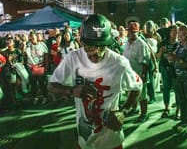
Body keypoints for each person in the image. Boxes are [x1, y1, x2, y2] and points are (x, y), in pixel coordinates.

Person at [48, 14, 142, 149]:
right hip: (85, 140)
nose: (96, 52)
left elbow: (138, 87)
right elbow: (51, 86)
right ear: (82, 42)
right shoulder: (73, 58)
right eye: (90, 47)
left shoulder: (119, 63)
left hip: (111, 141)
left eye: (101, 46)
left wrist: (124, 111)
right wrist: (70, 90)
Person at [123, 21, 151, 122]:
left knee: (142, 95)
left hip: (139, 74)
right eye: (129, 31)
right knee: (131, 92)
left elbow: (145, 62)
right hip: (129, 74)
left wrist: (143, 76)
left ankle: (144, 113)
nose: (130, 33)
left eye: (133, 31)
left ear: (138, 32)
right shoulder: (127, 43)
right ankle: (134, 108)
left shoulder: (141, 44)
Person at [156, 25, 179, 119]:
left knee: (178, 90)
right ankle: (166, 108)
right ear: (169, 32)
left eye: (176, 31)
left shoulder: (179, 43)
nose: (175, 33)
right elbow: (157, 57)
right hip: (165, 68)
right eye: (173, 31)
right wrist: (161, 51)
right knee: (166, 89)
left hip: (176, 69)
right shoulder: (163, 43)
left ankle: (178, 109)